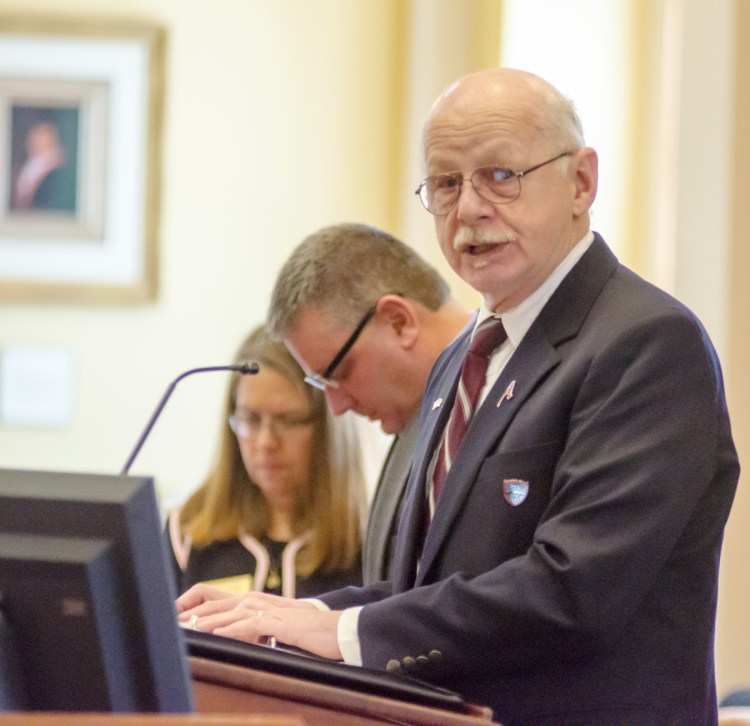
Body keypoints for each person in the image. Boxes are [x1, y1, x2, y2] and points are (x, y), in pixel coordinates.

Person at [176, 68, 740, 725]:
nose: (469, 209)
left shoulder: (645, 342)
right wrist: (305, 614)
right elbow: (433, 591)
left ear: (581, 182)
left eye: (501, 174)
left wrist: (342, 634)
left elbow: (571, 590)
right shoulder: (464, 360)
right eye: (446, 184)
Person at [265, 222, 471, 583]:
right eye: (321, 384)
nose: (337, 407)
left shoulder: (503, 393)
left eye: (340, 372)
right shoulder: (418, 418)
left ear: (398, 322)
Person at [166, 324, 367, 599]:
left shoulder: (370, 538)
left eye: (289, 420)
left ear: (328, 429)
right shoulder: (187, 530)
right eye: (251, 419)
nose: (265, 443)